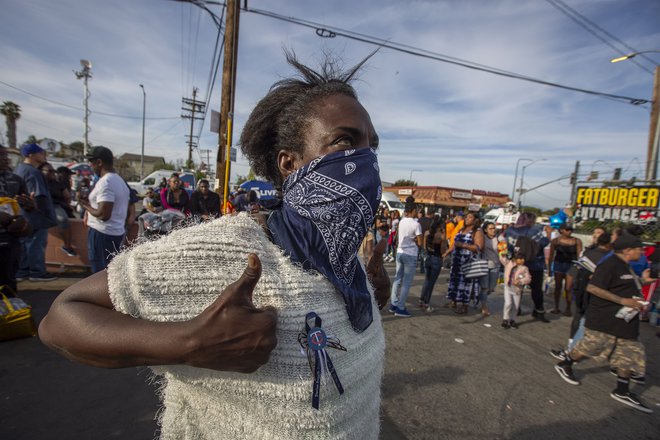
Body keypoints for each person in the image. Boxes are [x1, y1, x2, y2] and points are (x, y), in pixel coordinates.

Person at [39, 51, 389, 439]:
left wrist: (370, 294)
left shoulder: (346, 260)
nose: (365, 160)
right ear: (289, 163)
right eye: (344, 141)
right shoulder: (233, 253)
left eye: (370, 146)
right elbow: (61, 319)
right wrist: (191, 343)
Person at [553, 233, 654, 414]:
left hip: (624, 321)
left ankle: (622, 390)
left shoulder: (626, 266)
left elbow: (622, 285)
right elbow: (592, 287)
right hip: (605, 318)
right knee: (591, 346)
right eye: (639, 249)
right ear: (628, 250)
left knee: (629, 353)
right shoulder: (610, 265)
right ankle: (566, 363)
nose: (642, 252)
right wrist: (622, 301)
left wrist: (643, 281)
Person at [78, 146, 129, 274]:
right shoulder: (119, 180)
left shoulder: (106, 182)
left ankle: (101, 294)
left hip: (102, 234)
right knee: (110, 273)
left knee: (100, 273)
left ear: (99, 162)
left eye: (91, 162)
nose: (90, 165)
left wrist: (85, 205)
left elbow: (103, 214)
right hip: (115, 233)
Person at [13, 144, 57, 282]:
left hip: (22, 215)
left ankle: (23, 271)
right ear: (31, 155)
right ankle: (37, 271)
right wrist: (44, 214)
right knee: (35, 244)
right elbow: (38, 196)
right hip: (35, 216)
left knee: (25, 245)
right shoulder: (33, 172)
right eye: (40, 152)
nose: (43, 155)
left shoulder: (19, 169)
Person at [504, 212, 551, 322]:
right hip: (535, 264)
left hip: (518, 264)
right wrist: (548, 234)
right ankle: (539, 311)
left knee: (517, 287)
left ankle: (516, 309)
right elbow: (543, 243)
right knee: (536, 289)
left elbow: (508, 247)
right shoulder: (534, 231)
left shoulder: (510, 231)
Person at [0, 145, 34, 292]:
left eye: (5, 155)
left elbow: (29, 206)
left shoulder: (15, 179)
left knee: (9, 280)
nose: (5, 159)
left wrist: (30, 205)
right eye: (1, 155)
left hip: (10, 238)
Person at [446, 212, 484, 314]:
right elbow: (455, 243)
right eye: (466, 217)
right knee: (455, 281)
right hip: (457, 261)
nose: (467, 219)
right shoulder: (462, 229)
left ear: (475, 220)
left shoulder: (477, 231)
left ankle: (464, 305)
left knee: (466, 284)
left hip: (468, 262)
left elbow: (479, 247)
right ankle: (453, 301)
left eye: (470, 217)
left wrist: (463, 245)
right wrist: (447, 252)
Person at [389, 200, 422, 317]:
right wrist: (415, 240)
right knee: (406, 283)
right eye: (417, 210)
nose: (417, 212)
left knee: (397, 279)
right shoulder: (416, 224)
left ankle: (393, 304)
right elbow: (420, 242)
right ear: (413, 210)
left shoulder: (401, 222)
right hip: (410, 254)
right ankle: (400, 308)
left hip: (400, 252)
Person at [40, 163, 77, 257]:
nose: (53, 173)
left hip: (56, 206)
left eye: (53, 171)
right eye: (50, 171)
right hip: (41, 206)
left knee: (62, 218)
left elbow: (67, 196)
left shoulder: (58, 183)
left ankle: (67, 246)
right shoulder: (38, 182)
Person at [548, 224, 582, 316]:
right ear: (561, 230)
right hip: (558, 264)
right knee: (558, 287)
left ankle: (568, 308)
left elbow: (579, 256)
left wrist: (578, 268)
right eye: (567, 229)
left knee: (568, 288)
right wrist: (549, 268)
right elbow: (551, 255)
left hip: (571, 265)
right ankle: (556, 307)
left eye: (571, 229)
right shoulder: (555, 241)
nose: (569, 231)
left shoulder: (577, 241)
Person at [418, 216, 448, 312]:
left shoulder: (427, 233)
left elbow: (424, 246)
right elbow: (443, 251)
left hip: (428, 258)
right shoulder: (441, 236)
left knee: (427, 280)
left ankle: (421, 300)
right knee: (431, 283)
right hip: (436, 259)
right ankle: (426, 303)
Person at [499, 252, 531, 329]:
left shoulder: (524, 268)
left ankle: (513, 320)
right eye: (520, 258)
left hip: (517, 289)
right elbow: (502, 259)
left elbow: (528, 278)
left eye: (523, 258)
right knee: (508, 303)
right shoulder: (509, 263)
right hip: (508, 287)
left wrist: (520, 281)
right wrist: (502, 254)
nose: (522, 260)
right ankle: (505, 319)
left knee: (516, 306)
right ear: (515, 259)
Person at [479, 221, 501, 317]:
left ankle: (480, 297)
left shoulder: (499, 239)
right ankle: (484, 306)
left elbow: (503, 252)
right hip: (484, 264)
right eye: (490, 228)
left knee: (491, 288)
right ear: (485, 230)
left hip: (496, 265)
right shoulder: (483, 238)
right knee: (485, 287)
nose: (493, 230)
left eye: (494, 228)